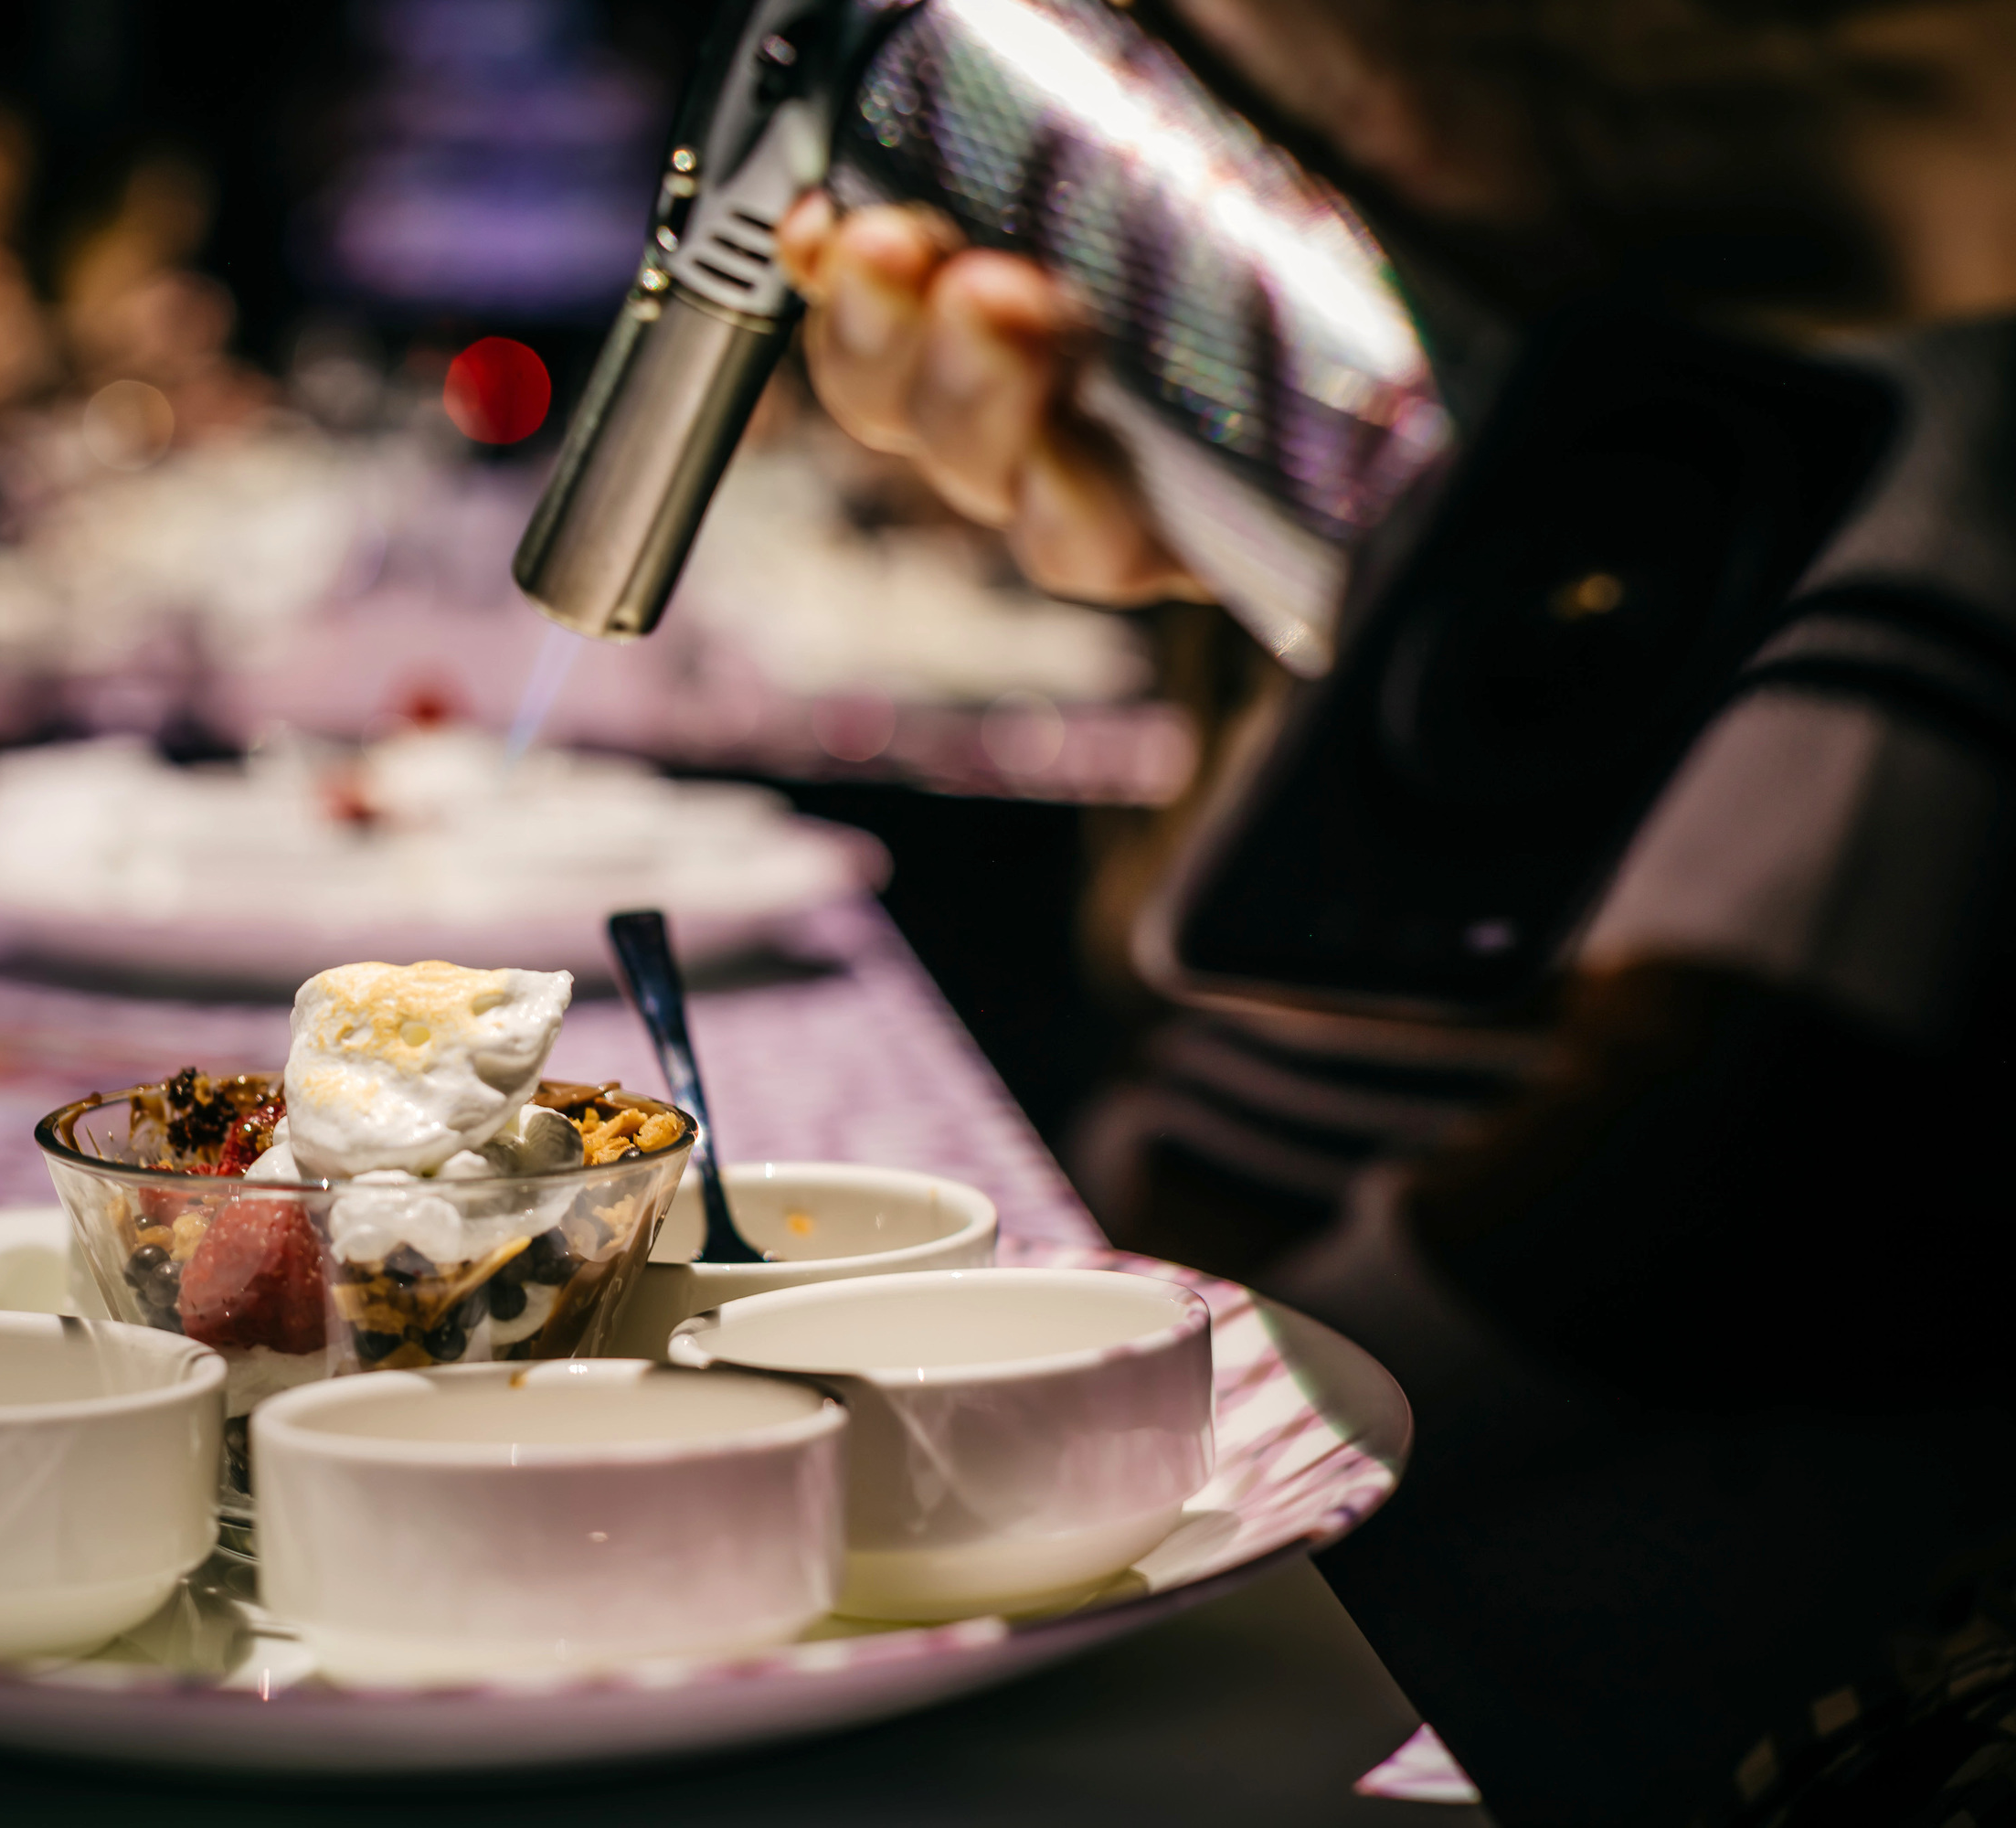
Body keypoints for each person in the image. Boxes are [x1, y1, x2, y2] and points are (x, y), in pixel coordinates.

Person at [780, 4, 2016, 1823]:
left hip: (1472, 1599)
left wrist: (1140, 1450)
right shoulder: (1547, 410)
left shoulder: (1937, 438)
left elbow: (1697, 1162)